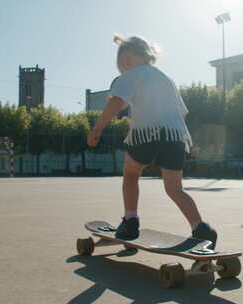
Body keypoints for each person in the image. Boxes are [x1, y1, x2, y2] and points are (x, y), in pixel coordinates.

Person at [87, 34, 217, 248]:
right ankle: (201, 228)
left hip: (145, 135)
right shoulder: (167, 79)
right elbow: (182, 113)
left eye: (119, 64)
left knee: (130, 174)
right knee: (175, 189)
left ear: (126, 59)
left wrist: (97, 129)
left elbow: (116, 103)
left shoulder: (130, 76)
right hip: (175, 138)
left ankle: (130, 221)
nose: (120, 69)